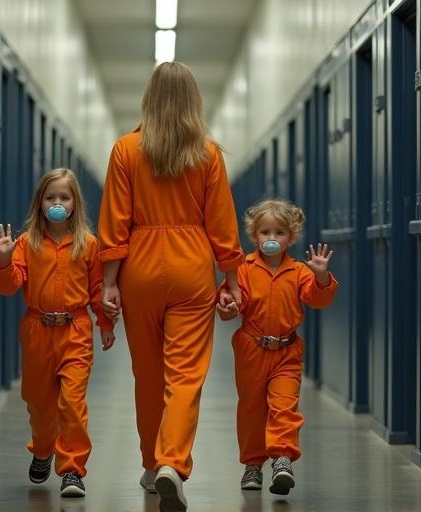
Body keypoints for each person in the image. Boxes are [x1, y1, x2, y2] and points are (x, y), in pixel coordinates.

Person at [98, 61, 244, 511]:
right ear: (193, 102)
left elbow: (114, 223)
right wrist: (233, 279)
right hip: (191, 266)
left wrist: (108, 283)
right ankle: (171, 463)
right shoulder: (208, 154)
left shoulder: (126, 150)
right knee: (185, 376)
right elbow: (221, 224)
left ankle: (149, 463)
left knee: (148, 374)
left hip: (139, 267)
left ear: (149, 99)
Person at [0, 168, 115, 497]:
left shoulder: (88, 244)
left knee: (72, 403)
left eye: (64, 197)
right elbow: (9, 285)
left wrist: (104, 322)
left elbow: (99, 288)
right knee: (40, 404)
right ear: (40, 203)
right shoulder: (26, 243)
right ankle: (43, 448)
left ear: (75, 203)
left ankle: (72, 469)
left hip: (75, 330)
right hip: (37, 331)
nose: (57, 202)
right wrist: (4, 261)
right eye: (50, 197)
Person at [217, 198, 338, 495]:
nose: (272, 239)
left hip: (287, 351)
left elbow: (318, 298)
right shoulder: (242, 268)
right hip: (251, 348)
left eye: (279, 233)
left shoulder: (299, 271)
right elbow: (229, 303)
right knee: (251, 410)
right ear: (254, 236)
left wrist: (321, 275)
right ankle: (253, 465)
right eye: (265, 233)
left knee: (284, 406)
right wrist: (228, 305)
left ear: (291, 237)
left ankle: (282, 458)